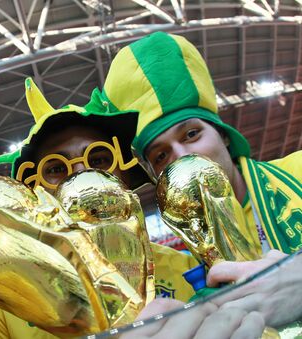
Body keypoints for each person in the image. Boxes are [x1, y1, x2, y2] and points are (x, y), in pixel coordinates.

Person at [94, 31, 302, 328]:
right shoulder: (181, 263)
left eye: (191, 134)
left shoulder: (298, 170)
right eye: (161, 156)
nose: (181, 156)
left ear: (225, 137)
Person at [0, 78, 198, 338]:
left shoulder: (187, 268)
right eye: (57, 169)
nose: (83, 175)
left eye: (99, 159)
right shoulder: (5, 303)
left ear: (124, 173)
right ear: (36, 194)